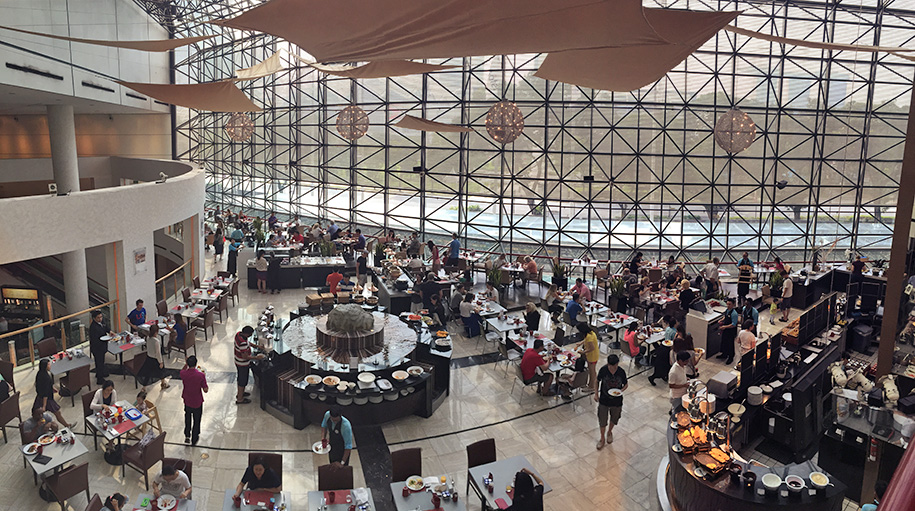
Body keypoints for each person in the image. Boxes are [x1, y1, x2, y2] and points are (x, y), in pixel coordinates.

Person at [595, 354, 627, 449]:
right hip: (604, 399)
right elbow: (597, 381)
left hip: (617, 400)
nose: (614, 368)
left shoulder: (621, 372)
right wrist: (596, 394)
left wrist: (621, 391)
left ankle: (609, 432)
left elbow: (626, 384)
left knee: (614, 417)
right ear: (608, 364)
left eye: (616, 365)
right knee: (602, 419)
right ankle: (602, 438)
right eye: (612, 366)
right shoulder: (603, 370)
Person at [35, 359, 71, 427]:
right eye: (48, 364)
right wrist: (44, 405)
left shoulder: (40, 373)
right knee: (57, 412)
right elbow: (45, 392)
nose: (50, 365)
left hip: (41, 397)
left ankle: (66, 425)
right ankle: (66, 425)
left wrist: (52, 388)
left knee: (38, 413)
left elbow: (44, 385)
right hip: (47, 399)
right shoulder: (45, 377)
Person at [180, 355, 208, 445]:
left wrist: (186, 363)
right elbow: (205, 390)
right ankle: (194, 438)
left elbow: (182, 370)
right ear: (196, 364)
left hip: (187, 400)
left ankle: (187, 435)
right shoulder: (200, 375)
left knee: (187, 417)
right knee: (197, 420)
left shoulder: (183, 374)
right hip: (197, 401)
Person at [234, 326, 264, 404]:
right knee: (242, 381)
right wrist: (257, 357)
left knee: (240, 378)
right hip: (242, 363)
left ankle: (240, 393)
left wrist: (257, 346)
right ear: (247, 334)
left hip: (237, 361)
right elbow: (245, 356)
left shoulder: (239, 335)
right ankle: (240, 399)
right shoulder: (242, 343)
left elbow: (248, 343)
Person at [141, 323, 168, 389]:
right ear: (156, 332)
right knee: (161, 372)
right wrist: (160, 362)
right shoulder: (156, 341)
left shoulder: (147, 338)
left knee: (148, 374)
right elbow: (158, 353)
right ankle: (163, 383)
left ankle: (144, 388)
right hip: (155, 359)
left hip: (149, 358)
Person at [90, 309, 113, 384]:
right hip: (97, 348)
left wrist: (110, 331)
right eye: (98, 318)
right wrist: (107, 339)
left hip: (102, 347)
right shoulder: (93, 327)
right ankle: (99, 379)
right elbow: (95, 340)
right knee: (99, 362)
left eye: (101, 317)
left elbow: (106, 327)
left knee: (101, 362)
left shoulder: (102, 322)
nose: (100, 319)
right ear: (94, 318)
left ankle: (100, 373)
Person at [575, 323, 600, 388]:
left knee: (592, 372)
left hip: (592, 356)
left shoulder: (589, 337)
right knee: (592, 370)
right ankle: (591, 384)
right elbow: (586, 340)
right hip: (593, 355)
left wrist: (583, 352)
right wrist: (580, 343)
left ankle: (591, 386)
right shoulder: (591, 333)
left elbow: (592, 348)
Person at [717, 298, 739, 365]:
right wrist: (722, 320)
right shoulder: (727, 310)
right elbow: (725, 316)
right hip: (725, 330)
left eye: (729, 304)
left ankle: (730, 357)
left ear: (733, 305)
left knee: (730, 344)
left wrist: (724, 327)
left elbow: (733, 324)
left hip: (731, 331)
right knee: (724, 342)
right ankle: (724, 354)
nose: (728, 305)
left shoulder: (734, 314)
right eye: (727, 304)